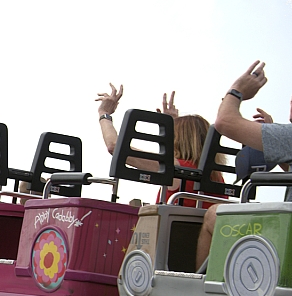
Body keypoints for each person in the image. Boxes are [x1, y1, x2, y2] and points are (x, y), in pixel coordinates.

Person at [195, 62, 292, 268]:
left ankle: (201, 295)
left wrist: (237, 90)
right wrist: (277, 142)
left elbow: (224, 121)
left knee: (214, 214)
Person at [95, 84, 224, 208]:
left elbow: (115, 147)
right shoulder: (216, 177)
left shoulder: (177, 169)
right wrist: (172, 124)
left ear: (178, 140)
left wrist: (104, 113)